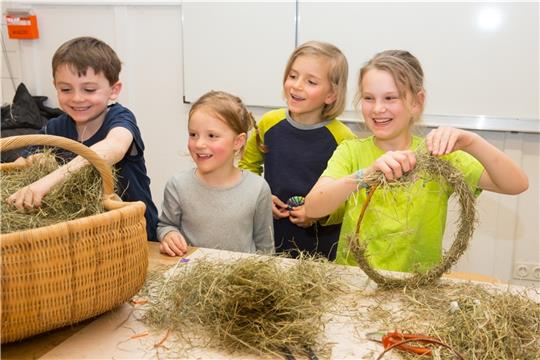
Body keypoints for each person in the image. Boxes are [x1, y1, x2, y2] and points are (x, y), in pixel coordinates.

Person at [304, 50, 528, 272]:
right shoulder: (351, 152)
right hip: (354, 282)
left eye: (390, 98)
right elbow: (313, 207)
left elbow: (516, 184)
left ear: (417, 102)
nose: (377, 108)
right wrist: (365, 175)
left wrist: (472, 141)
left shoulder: (438, 154)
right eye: (368, 98)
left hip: (416, 288)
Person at [7, 36, 159, 241]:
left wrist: (47, 182)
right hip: (85, 239)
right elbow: (21, 165)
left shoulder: (120, 119)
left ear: (114, 90)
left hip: (132, 234)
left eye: (89, 89)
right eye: (66, 89)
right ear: (55, 86)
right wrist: (37, 162)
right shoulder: (55, 127)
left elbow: (113, 148)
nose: (77, 98)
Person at [239, 41, 356, 260]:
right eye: (292, 76)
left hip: (322, 250)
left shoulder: (345, 139)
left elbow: (350, 198)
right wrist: (262, 197)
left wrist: (320, 213)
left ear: (331, 94)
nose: (297, 86)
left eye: (311, 81)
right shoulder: (268, 123)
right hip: (270, 240)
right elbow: (247, 168)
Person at [157, 90, 274, 256]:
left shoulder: (257, 188)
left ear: (238, 141)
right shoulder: (178, 185)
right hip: (190, 275)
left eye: (212, 135)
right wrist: (169, 235)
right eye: (193, 134)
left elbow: (266, 247)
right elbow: (166, 225)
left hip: (240, 279)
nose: (199, 144)